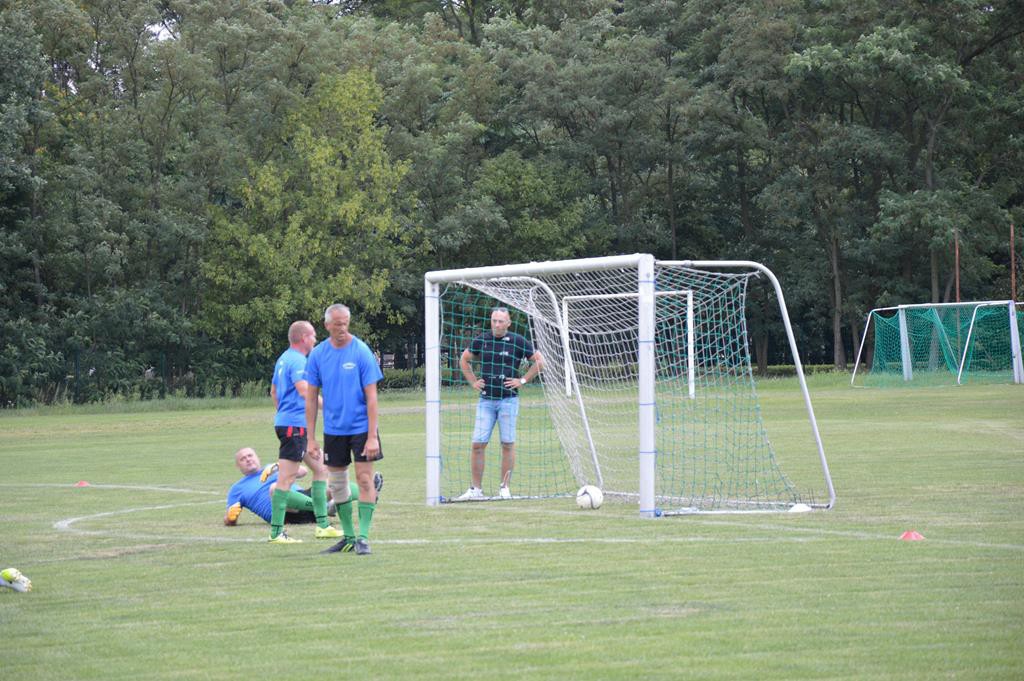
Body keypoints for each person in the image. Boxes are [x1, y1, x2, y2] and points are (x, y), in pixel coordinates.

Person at [305, 304, 384, 556]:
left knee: (363, 479)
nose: (342, 328)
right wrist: (310, 438)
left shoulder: (361, 351)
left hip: (362, 429)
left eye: (345, 323)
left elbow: (372, 397)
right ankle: (348, 537)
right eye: (337, 323)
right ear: (327, 325)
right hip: (334, 430)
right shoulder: (317, 355)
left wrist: (373, 436)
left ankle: (363, 537)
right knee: (337, 484)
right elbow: (310, 399)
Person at [456, 307, 544, 500]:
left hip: (508, 401)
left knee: (507, 444)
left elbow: (539, 362)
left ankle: (505, 488)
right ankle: (476, 490)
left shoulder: (518, 341)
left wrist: (522, 380)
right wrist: (472, 381)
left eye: (500, 321)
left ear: (508, 323)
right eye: (494, 320)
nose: (496, 324)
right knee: (478, 444)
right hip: (486, 401)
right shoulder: (482, 340)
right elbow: (464, 359)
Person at [269, 320, 338, 544]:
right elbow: (303, 390)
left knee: (321, 469)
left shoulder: (283, 359)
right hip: (294, 427)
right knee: (286, 479)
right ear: (303, 338)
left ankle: (323, 526)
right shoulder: (297, 360)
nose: (316, 340)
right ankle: (276, 532)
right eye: (313, 336)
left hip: (293, 424)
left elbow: (274, 392)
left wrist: (283, 413)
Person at [224, 447, 382, 527]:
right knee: (274, 490)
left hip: (301, 498)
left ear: (257, 457)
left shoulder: (271, 468)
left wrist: (279, 466)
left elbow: (303, 471)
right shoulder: (237, 488)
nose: (248, 460)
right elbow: (230, 519)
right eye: (243, 459)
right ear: (238, 466)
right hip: (286, 514)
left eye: (250, 455)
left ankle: (368, 495)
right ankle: (325, 508)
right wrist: (230, 518)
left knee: (332, 484)